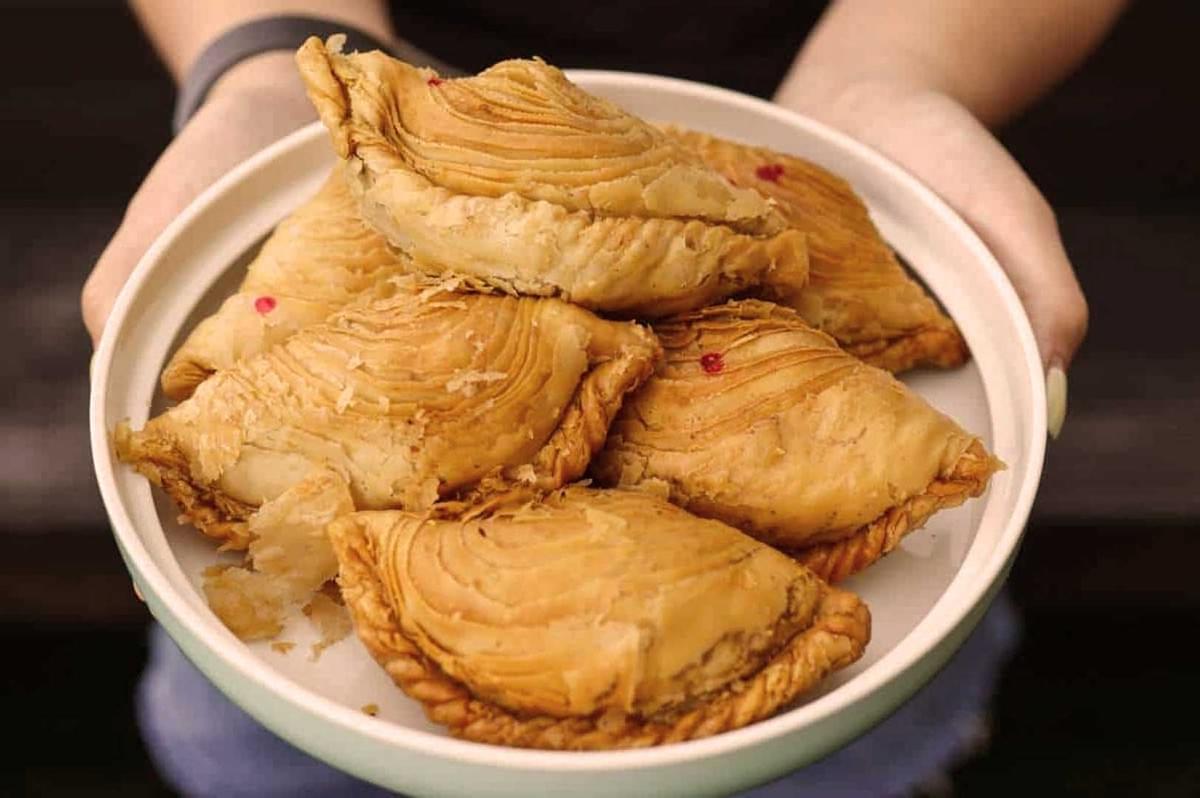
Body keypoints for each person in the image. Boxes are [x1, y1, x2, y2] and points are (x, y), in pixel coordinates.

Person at [83, 1, 1120, 795]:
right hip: (467, 100)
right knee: (269, 759)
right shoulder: (395, 228)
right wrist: (261, 53)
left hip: (773, 113)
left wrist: (896, 73)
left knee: (850, 761)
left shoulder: (686, 267)